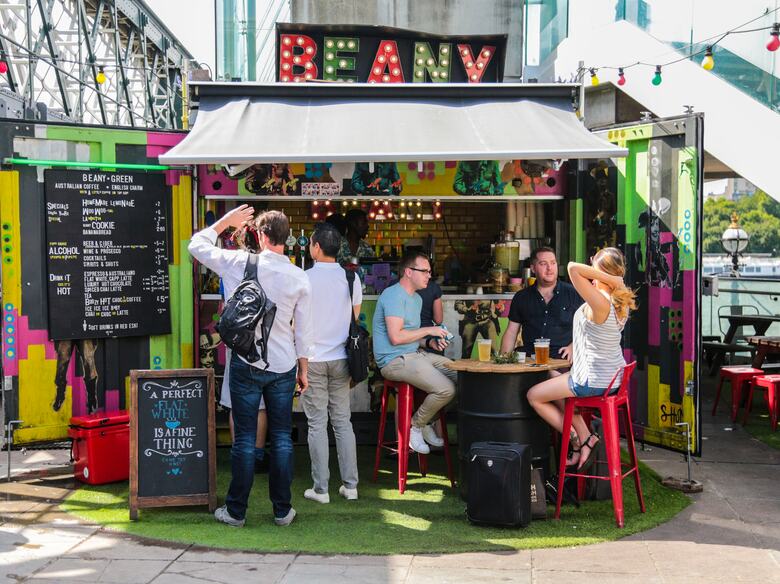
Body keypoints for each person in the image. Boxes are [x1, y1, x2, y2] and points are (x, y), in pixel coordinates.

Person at [188, 206, 313, 528]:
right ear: (287, 238)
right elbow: (303, 329)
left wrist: (224, 223)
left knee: (244, 439)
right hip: (284, 364)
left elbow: (196, 245)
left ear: (259, 235)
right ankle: (282, 511)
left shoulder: (238, 262)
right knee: (282, 437)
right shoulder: (299, 276)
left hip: (244, 361)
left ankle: (236, 512)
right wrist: (304, 368)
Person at [526, 248, 637, 470]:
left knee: (534, 396)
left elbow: (572, 268)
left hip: (592, 380)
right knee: (550, 374)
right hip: (611, 378)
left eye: (594, 266)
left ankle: (577, 440)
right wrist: (614, 280)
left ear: (601, 272)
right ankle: (587, 437)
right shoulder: (620, 297)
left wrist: (605, 277)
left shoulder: (601, 300)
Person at [301, 223, 362, 504]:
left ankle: (321, 489)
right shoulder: (352, 279)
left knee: (316, 424)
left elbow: (295, 322)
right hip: (341, 358)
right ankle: (350, 486)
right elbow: (355, 319)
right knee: (342, 422)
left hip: (312, 360)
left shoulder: (304, 279)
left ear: (315, 247)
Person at [373, 251, 456, 454]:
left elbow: (409, 336)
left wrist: (428, 342)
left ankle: (426, 421)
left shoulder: (417, 299)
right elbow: (396, 337)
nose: (429, 275)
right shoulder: (393, 295)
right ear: (409, 272)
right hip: (394, 360)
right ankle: (416, 426)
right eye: (425, 271)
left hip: (415, 354)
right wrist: (429, 330)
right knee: (446, 389)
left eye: (430, 271)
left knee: (465, 377)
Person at [500, 247, 583, 364]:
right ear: (533, 268)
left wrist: (574, 346)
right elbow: (511, 332)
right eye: (543, 264)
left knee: (551, 375)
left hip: (562, 359)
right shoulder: (521, 297)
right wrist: (503, 361)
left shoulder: (574, 293)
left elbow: (589, 326)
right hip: (530, 360)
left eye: (553, 263)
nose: (549, 268)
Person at [53, 339, 99, 413]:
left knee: (89, 361)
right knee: (62, 360)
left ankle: (92, 398)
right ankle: (60, 395)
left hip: (84, 332)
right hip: (66, 330)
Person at [418, 279, 444, 355]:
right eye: (426, 271)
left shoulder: (393, 286)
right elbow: (438, 320)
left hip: (405, 335)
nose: (429, 275)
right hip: (426, 334)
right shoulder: (432, 287)